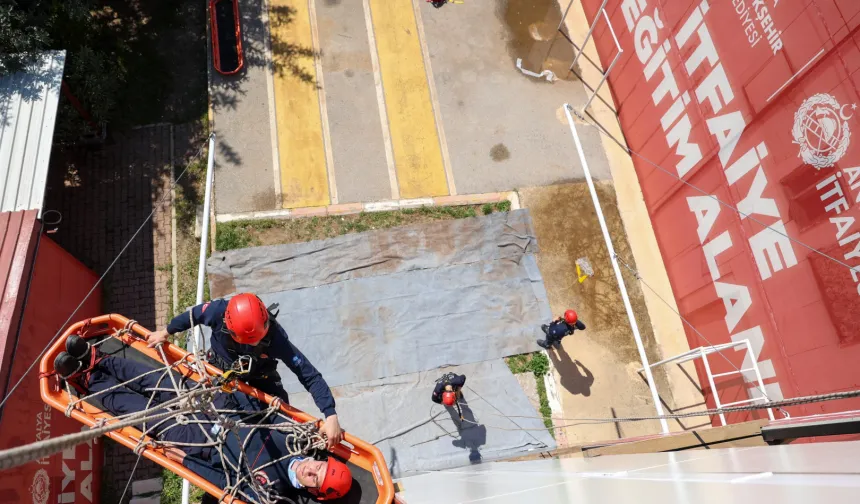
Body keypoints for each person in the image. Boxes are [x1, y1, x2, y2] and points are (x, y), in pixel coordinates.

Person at [54, 338, 352, 503]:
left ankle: (88, 379)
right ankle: (99, 359)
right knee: (157, 380)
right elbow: (269, 412)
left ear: (312, 492)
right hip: (221, 408)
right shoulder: (297, 439)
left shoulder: (271, 491)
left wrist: (183, 461)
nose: (312, 468)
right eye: (320, 466)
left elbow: (224, 482)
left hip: (202, 442)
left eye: (314, 477)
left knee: (136, 410)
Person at [145, 293, 343, 449]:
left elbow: (307, 373)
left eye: (259, 338)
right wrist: (165, 332)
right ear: (230, 330)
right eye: (250, 341)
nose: (256, 343)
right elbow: (194, 315)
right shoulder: (217, 311)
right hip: (220, 369)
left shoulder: (275, 339)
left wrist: (330, 414)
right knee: (219, 416)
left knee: (279, 415)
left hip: (260, 376)